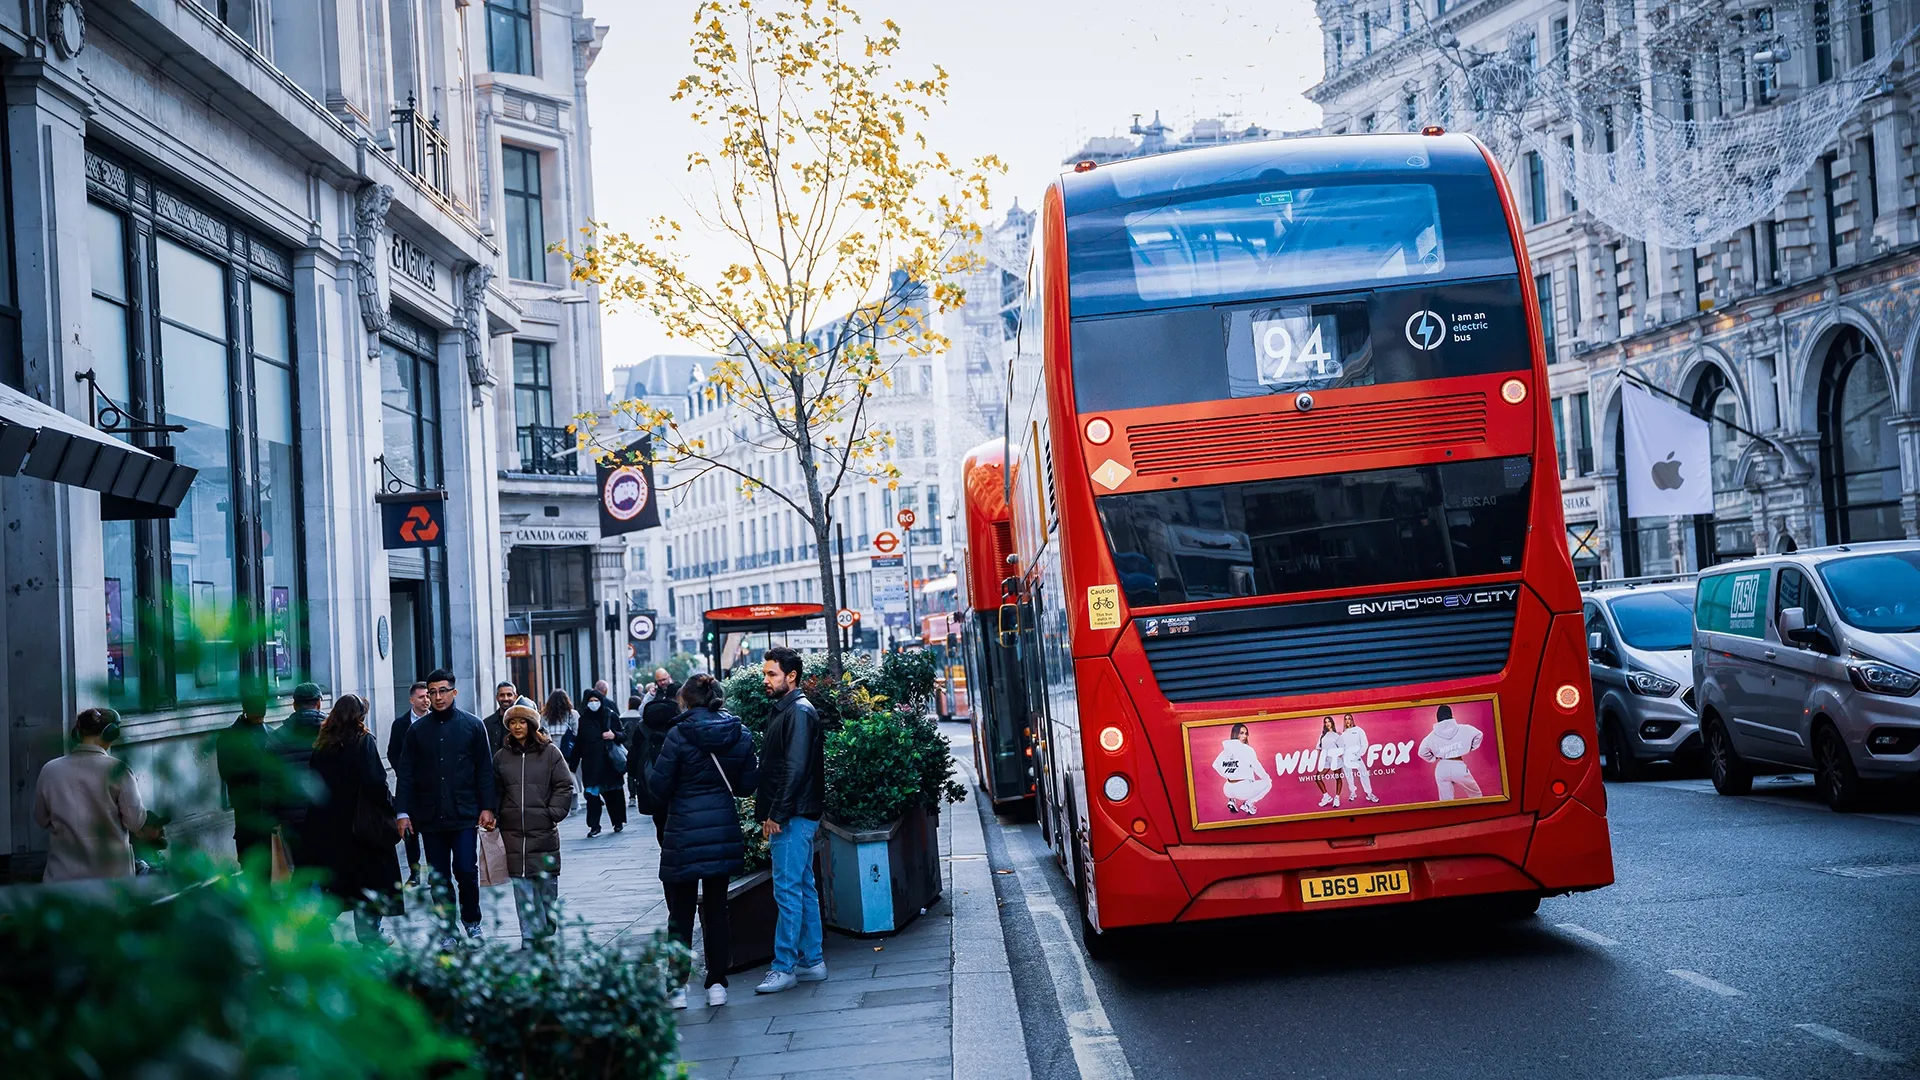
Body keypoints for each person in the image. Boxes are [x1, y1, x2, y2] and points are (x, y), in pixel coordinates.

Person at [649, 674, 759, 1009]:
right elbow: (745, 786)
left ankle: (678, 988)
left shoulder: (678, 734)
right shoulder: (739, 734)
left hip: (683, 832)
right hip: (721, 830)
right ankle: (717, 984)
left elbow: (658, 787)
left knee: (679, 914)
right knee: (716, 910)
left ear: (686, 700)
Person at [394, 669, 497, 943]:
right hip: (430, 816)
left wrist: (488, 807)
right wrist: (402, 812)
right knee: (438, 877)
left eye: (442, 691)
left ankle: (472, 921)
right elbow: (406, 773)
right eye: (432, 692)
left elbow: (485, 770)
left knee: (466, 869)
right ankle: (446, 929)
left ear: (454, 692)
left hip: (464, 813)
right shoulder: (416, 731)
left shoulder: (473, 725)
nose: (437, 697)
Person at [753, 647, 826, 995]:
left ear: (791, 676)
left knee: (787, 889)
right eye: (765, 673)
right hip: (797, 812)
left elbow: (794, 770)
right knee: (801, 885)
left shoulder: (797, 712)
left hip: (792, 814)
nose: (765, 679)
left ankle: (785, 967)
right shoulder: (791, 710)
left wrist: (775, 815)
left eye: (772, 674)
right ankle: (811, 960)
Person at [306, 695, 402, 945]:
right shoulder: (363, 742)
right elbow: (375, 782)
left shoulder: (322, 744)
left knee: (340, 884)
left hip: (331, 826)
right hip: (362, 826)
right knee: (368, 882)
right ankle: (370, 933)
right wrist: (390, 806)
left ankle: (318, 924)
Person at [33, 708, 152, 882]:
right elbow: (135, 822)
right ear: (111, 733)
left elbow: (40, 818)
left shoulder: (49, 770)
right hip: (111, 880)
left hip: (61, 878)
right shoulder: (118, 770)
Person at [493, 702, 574, 947]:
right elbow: (495, 790)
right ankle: (527, 934)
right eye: (513, 722)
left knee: (546, 884)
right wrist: (496, 814)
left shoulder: (550, 753)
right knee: (521, 885)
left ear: (532, 725)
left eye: (522, 722)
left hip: (543, 830)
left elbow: (564, 784)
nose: (517, 726)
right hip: (513, 831)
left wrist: (553, 812)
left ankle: (548, 922)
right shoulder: (501, 756)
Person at [216, 692, 278, 876]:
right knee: (248, 854)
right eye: (257, 715)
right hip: (246, 804)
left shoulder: (271, 734)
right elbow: (227, 772)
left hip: (265, 806)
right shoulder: (230, 737)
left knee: (265, 855)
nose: (260, 719)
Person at [272, 682, 328, 866]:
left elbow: (268, 781)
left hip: (291, 815)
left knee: (301, 866)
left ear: (294, 705)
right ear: (319, 703)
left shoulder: (277, 737)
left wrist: (272, 816)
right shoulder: (334, 733)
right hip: (327, 811)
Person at [389, 681, 430, 885]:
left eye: (428, 696)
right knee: (411, 833)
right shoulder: (400, 724)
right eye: (422, 697)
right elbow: (392, 752)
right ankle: (414, 873)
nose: (426, 700)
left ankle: (435, 871)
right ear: (412, 700)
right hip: (410, 788)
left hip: (431, 787)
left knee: (432, 833)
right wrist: (404, 772)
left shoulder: (436, 721)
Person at [633, 677, 683, 842]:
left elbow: (633, 755)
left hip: (651, 781)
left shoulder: (644, 723)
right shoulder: (681, 720)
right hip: (678, 783)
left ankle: (665, 848)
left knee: (660, 821)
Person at [574, 687, 627, 836]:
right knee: (592, 797)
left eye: (596, 700)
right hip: (591, 765)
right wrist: (572, 763)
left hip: (609, 764)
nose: (593, 703)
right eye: (590, 701)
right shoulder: (584, 719)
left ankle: (617, 822)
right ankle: (594, 826)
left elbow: (624, 735)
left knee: (613, 795)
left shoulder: (610, 716)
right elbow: (580, 742)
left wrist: (613, 735)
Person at [1418, 704, 1485, 801]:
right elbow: (1479, 734)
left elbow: (1422, 752)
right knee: (1476, 794)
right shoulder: (1465, 729)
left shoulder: (1431, 737)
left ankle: (1448, 816)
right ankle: (1479, 814)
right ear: (1451, 715)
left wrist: (1433, 758)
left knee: (1446, 801)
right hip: (1458, 764)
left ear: (1437, 718)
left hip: (1442, 767)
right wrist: (1470, 747)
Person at [1211, 722, 1271, 816]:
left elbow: (1216, 765)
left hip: (1227, 789)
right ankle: (1248, 804)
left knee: (1236, 772)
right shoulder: (1247, 749)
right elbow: (1257, 766)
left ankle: (1232, 801)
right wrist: (1266, 778)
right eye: (1241, 733)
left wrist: (1228, 774)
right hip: (1243, 790)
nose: (1244, 736)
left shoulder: (1226, 750)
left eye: (1246, 733)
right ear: (1235, 734)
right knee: (1268, 784)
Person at [1340, 713, 1379, 804]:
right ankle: (1353, 792)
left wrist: (1358, 754)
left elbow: (1364, 744)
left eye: (1349, 718)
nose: (1347, 721)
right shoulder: (1343, 734)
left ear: (1352, 720)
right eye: (1345, 719)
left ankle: (1369, 793)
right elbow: (1342, 747)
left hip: (1357, 757)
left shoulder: (1359, 730)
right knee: (1349, 776)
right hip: (1346, 759)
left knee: (1364, 774)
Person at [1315, 716, 1345, 809]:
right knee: (1318, 777)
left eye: (1329, 721)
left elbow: (1342, 749)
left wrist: (1338, 756)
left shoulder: (1336, 735)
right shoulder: (1322, 735)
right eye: (1325, 722)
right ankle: (1326, 796)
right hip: (1326, 760)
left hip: (1335, 760)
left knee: (1337, 778)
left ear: (1332, 723)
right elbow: (1319, 748)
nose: (1327, 723)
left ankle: (1337, 797)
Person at [484, 681, 518, 754]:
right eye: (502, 695)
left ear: (515, 697)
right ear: (497, 697)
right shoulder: (487, 723)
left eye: (509, 695)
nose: (505, 698)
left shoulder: (523, 722)